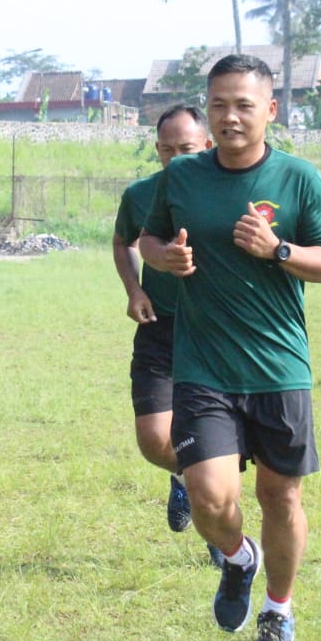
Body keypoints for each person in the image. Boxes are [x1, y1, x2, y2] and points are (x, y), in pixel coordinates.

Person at [139, 55, 321, 641]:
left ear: (270, 111)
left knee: (281, 498)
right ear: (208, 110)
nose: (230, 117)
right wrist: (164, 260)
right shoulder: (181, 180)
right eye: (219, 105)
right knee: (208, 496)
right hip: (202, 366)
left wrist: (278, 248)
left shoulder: (299, 179)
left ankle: (278, 612)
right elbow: (149, 239)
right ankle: (237, 559)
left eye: (244, 105)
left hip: (279, 368)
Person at [112, 105, 212, 537]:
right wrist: (135, 289)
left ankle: (219, 533)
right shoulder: (140, 195)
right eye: (168, 149)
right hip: (160, 327)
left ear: (207, 146)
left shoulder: (224, 192)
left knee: (220, 444)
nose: (177, 158)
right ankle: (186, 478)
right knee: (155, 439)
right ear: (157, 150)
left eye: (186, 149)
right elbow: (123, 241)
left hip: (215, 330)